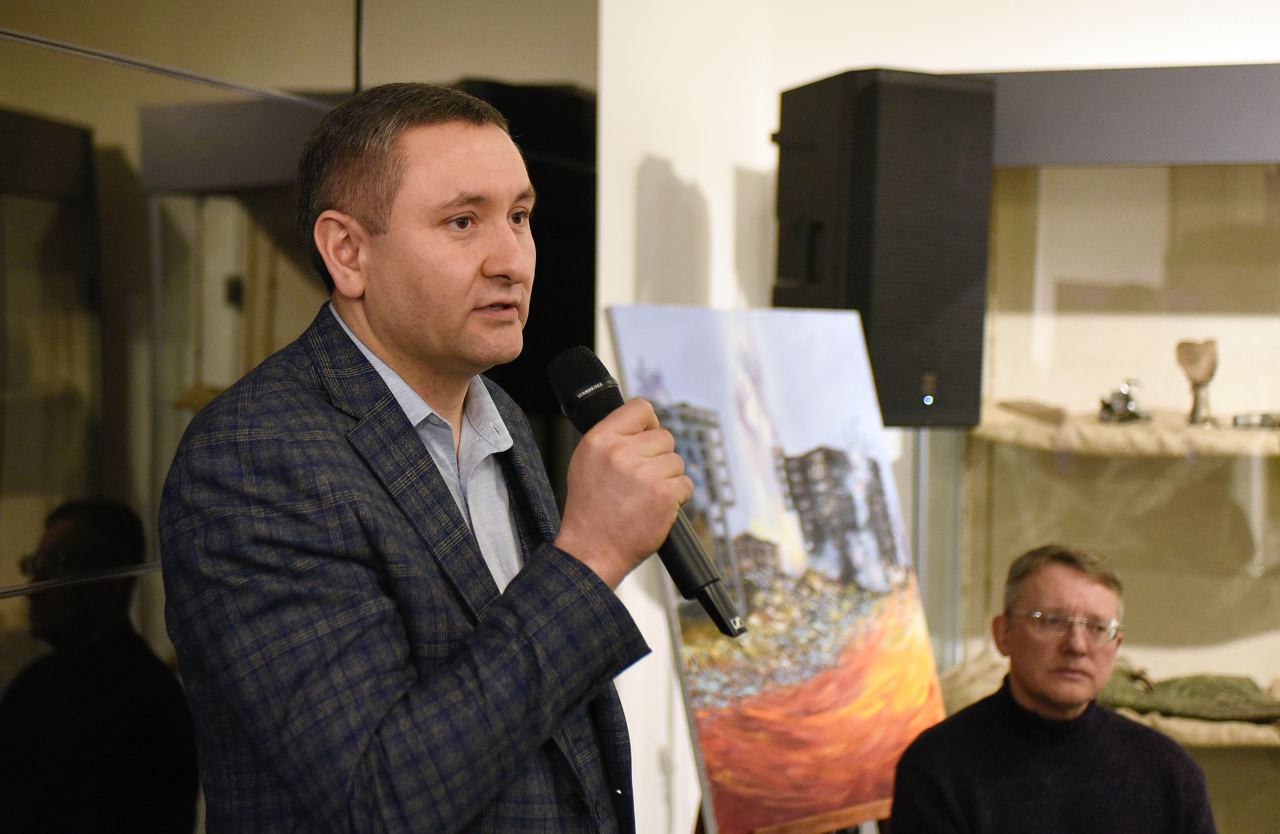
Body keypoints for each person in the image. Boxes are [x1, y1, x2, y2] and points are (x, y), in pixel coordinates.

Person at [159, 82, 691, 833]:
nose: (512, 261)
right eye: (463, 222)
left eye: (520, 217)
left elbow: (553, 735)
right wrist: (591, 555)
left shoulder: (499, 412)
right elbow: (377, 799)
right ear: (348, 253)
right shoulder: (253, 457)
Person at [889, 543, 1216, 833]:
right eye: (1052, 621)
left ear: (1116, 645)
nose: (1076, 646)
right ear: (1003, 634)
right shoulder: (938, 768)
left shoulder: (1169, 773)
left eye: (1097, 628)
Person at [0, 498, 199, 833]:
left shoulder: (148, 704)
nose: (34, 588)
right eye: (34, 565)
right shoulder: (32, 685)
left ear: (111, 581)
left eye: (57, 564)